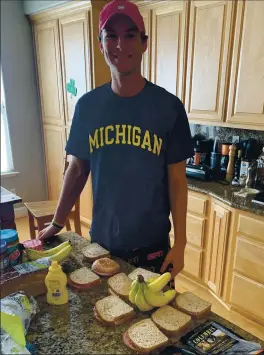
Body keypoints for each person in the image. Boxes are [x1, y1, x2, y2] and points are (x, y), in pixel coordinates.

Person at [38, 0, 194, 282]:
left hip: (154, 250)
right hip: (102, 246)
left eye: (130, 35)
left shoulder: (169, 108)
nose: (121, 45)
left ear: (144, 42)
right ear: (101, 45)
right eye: (111, 36)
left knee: (155, 321)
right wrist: (57, 221)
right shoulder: (88, 107)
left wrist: (181, 243)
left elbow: (177, 181)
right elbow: (77, 170)